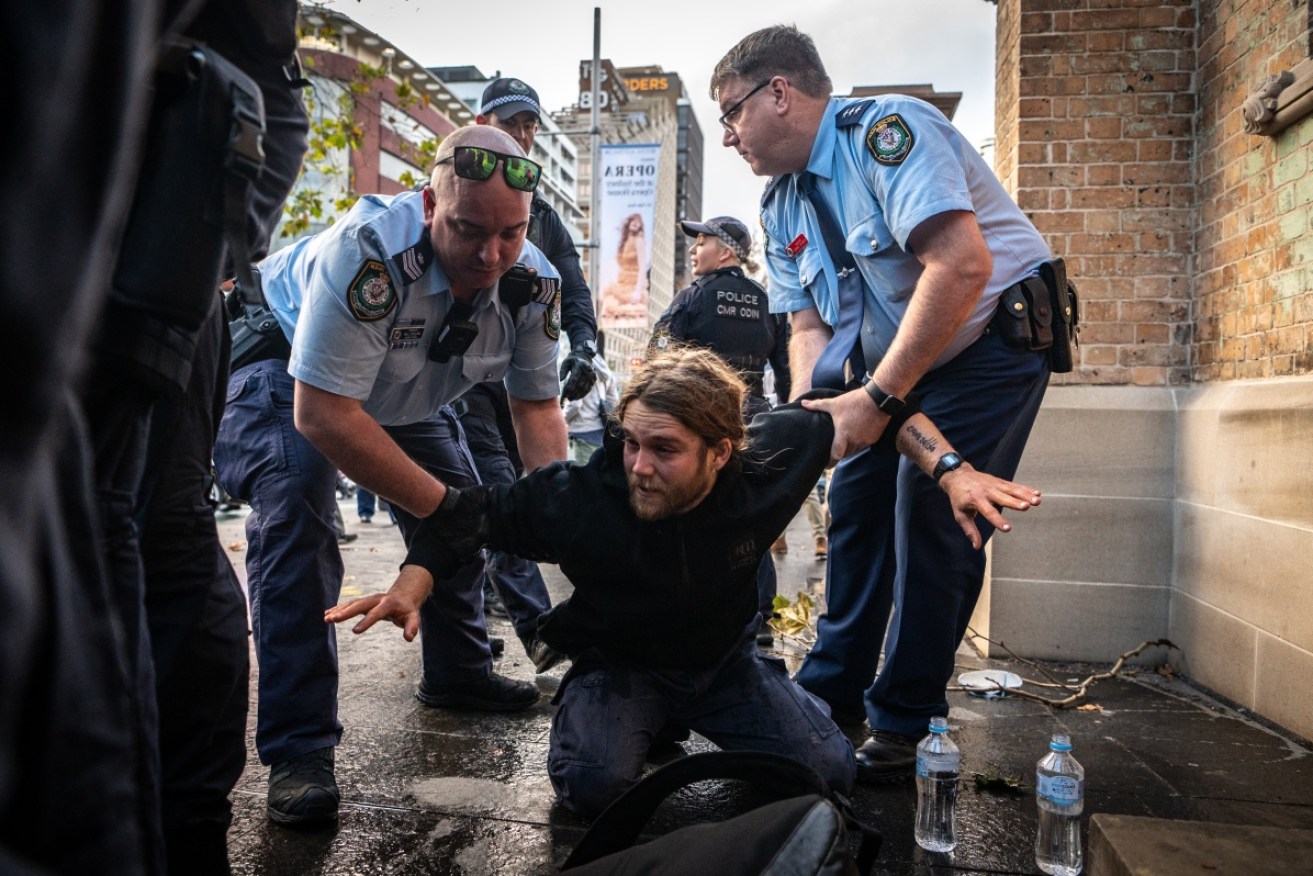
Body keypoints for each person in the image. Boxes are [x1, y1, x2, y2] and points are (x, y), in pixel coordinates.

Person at [326, 346, 1042, 818]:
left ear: (721, 452)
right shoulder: (580, 496)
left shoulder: (773, 455)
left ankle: (707, 717)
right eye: (631, 442)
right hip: (622, 665)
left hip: (723, 665)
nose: (639, 465)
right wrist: (413, 580)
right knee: (592, 787)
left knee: (825, 771)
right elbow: (464, 517)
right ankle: (630, 720)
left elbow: (879, 416)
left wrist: (951, 469)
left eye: (663, 450)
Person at [711, 26, 1057, 782]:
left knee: (931, 513)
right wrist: (815, 418)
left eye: (730, 112)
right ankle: (830, 695)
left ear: (779, 92)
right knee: (858, 502)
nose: (729, 135)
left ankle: (904, 723)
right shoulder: (779, 207)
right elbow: (809, 327)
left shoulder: (887, 134)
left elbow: (960, 266)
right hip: (893, 365)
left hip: (989, 341)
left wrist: (877, 398)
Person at [213, 124, 568, 828]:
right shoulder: (368, 252)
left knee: (467, 504)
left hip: (396, 392)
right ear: (430, 207)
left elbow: (537, 412)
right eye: (468, 230)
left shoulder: (534, 281)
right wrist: (447, 510)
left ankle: (457, 673)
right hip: (287, 367)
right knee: (298, 509)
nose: (490, 255)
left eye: (511, 233)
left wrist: (565, 511)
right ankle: (299, 748)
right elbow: (323, 415)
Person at [452, 76, 601, 673]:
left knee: (542, 493)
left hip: (523, 383)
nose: (522, 133)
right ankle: (542, 632)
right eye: (510, 121)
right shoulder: (446, 192)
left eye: (530, 125)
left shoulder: (545, 217)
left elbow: (575, 286)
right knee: (494, 499)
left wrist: (584, 347)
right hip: (458, 386)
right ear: (481, 123)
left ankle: (468, 631)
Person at [650, 215, 792, 643]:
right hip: (754, 419)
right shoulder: (766, 299)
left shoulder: (693, 296)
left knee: (693, 512)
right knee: (747, 515)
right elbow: (787, 373)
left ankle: (697, 609)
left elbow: (659, 353)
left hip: (701, 418)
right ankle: (761, 615)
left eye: (702, 242)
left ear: (726, 251)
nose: (694, 249)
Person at [563, 334, 619, 464]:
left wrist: (563, 419)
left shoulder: (578, 366)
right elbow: (613, 398)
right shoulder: (604, 368)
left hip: (583, 430)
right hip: (601, 430)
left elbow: (575, 404)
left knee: (586, 479)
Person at [600, 213, 650, 322]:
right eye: (634, 220)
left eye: (639, 222)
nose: (636, 223)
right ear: (628, 223)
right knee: (607, 305)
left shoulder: (639, 240)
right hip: (622, 283)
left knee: (619, 312)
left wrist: (637, 291)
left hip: (633, 285)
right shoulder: (625, 241)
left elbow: (642, 268)